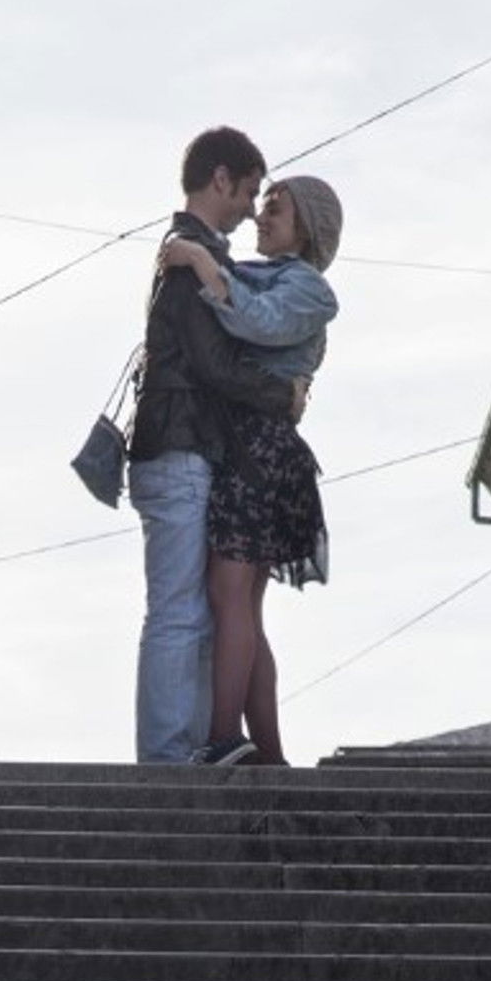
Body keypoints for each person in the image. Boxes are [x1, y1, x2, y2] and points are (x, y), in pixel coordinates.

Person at [128, 127, 308, 765]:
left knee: (194, 613)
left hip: (186, 448)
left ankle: (188, 748)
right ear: (222, 179)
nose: (251, 207)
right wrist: (280, 395)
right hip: (176, 449)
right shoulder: (191, 252)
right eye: (250, 190)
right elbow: (210, 363)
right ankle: (168, 758)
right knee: (178, 612)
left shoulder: (199, 252)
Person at [160, 174, 343, 766]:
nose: (262, 217)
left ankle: (222, 738)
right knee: (243, 605)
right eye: (262, 206)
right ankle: (266, 752)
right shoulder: (251, 270)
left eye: (276, 209)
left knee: (230, 594)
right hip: (247, 446)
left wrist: (196, 259)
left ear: (307, 228)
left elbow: (257, 322)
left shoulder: (311, 290)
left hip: (261, 452)